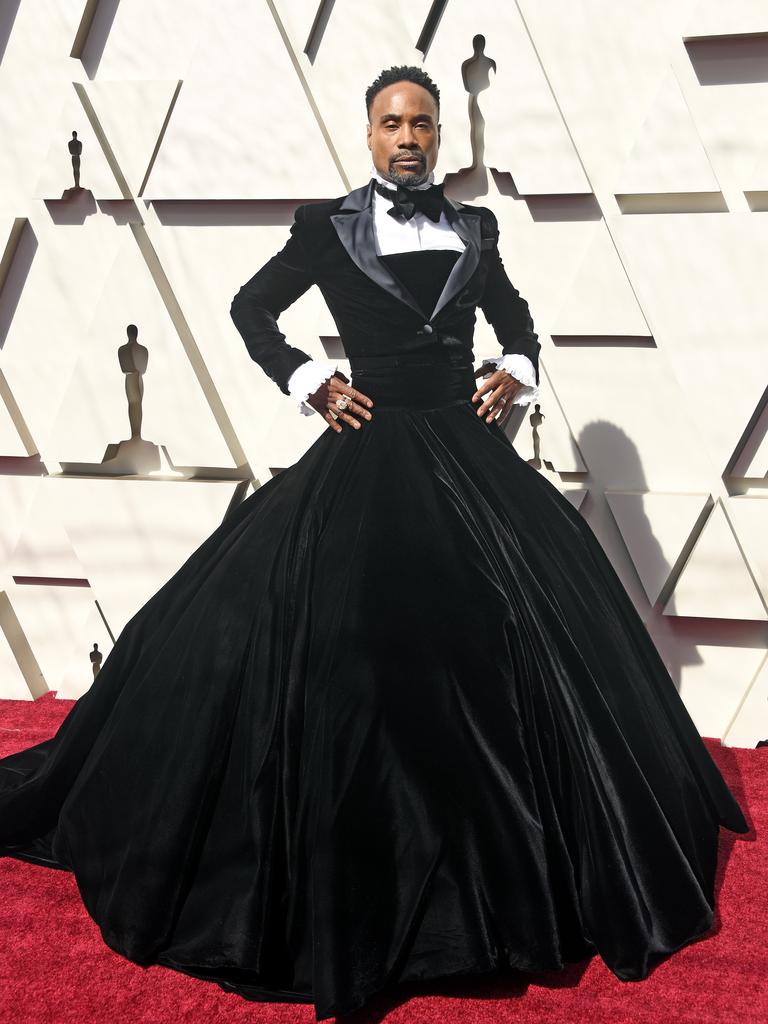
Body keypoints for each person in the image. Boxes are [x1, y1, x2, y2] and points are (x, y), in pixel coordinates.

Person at [0, 65, 749, 1022]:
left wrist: (512, 365)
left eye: (423, 124)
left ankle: (503, 885)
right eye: (392, 122)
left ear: (440, 137)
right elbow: (250, 309)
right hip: (367, 456)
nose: (409, 137)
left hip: (471, 462)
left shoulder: (475, 228)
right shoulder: (327, 226)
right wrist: (310, 378)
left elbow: (515, 318)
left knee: (507, 659)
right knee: (351, 659)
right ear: (368, 134)